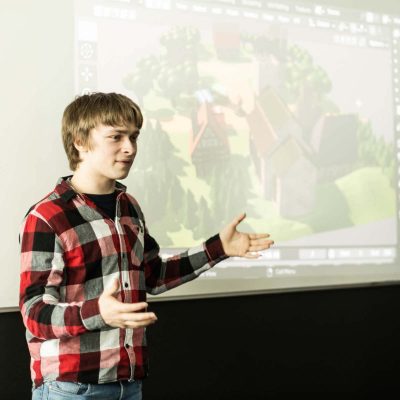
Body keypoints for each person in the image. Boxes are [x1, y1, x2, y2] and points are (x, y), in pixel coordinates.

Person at [19, 92, 274, 400]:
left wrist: (218, 248)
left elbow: (152, 275)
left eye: (134, 137)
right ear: (80, 142)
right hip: (71, 389)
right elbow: (35, 312)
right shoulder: (47, 217)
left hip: (129, 385)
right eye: (116, 137)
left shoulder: (129, 207)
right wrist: (99, 312)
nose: (130, 148)